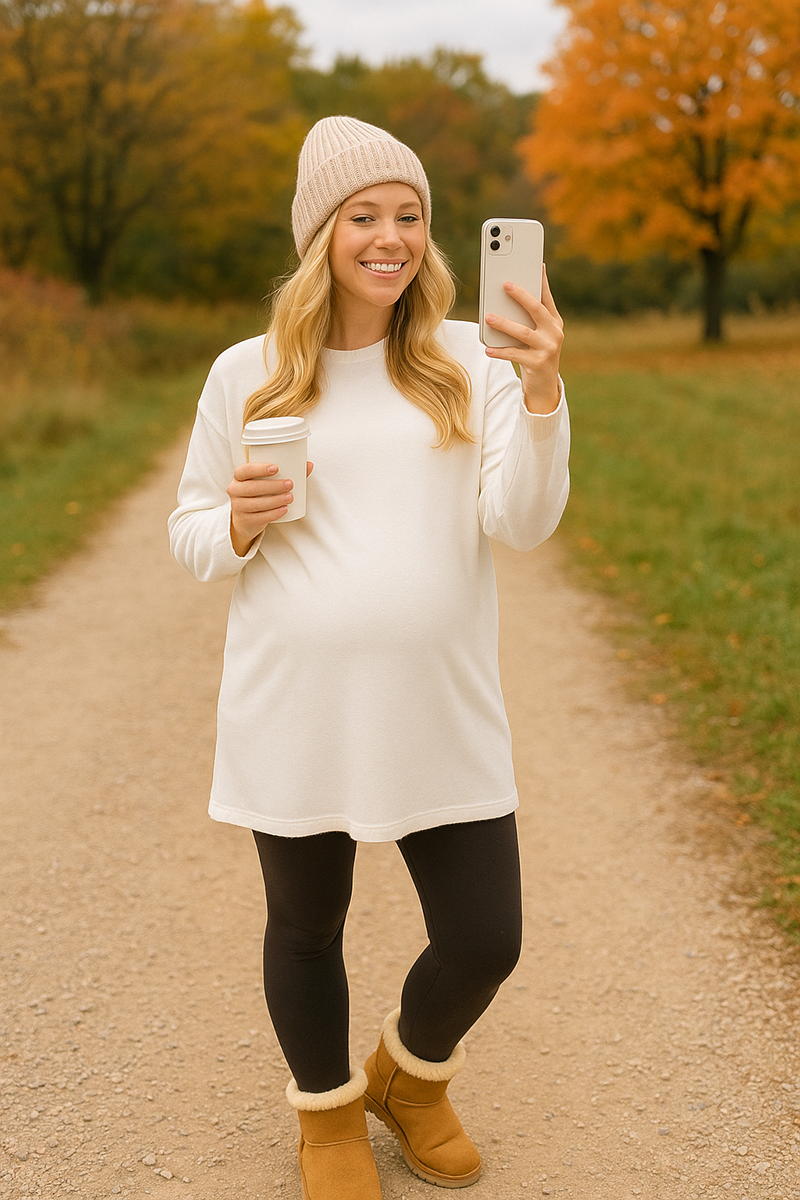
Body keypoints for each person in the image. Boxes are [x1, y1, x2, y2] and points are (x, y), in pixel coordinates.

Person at [168, 116, 569, 1200]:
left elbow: (522, 523)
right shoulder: (245, 374)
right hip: (293, 707)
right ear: (319, 236)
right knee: (305, 928)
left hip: (441, 708)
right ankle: (327, 1118)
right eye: (362, 217)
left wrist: (538, 394)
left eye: (407, 217)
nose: (387, 238)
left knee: (485, 936)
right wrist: (240, 523)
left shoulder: (466, 363)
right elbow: (192, 533)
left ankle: (409, 1076)